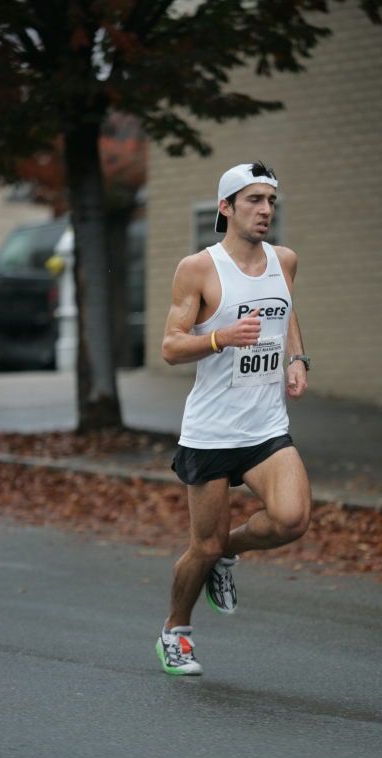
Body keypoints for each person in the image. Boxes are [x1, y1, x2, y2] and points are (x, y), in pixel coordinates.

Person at [156, 161, 312, 675]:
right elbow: (172, 347)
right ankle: (175, 631)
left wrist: (296, 360)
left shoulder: (283, 260)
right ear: (226, 208)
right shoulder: (198, 268)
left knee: (291, 519)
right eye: (254, 200)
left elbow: (286, 313)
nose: (266, 210)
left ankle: (231, 553)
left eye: (271, 200)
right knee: (202, 543)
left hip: (266, 425)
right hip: (212, 430)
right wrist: (221, 337)